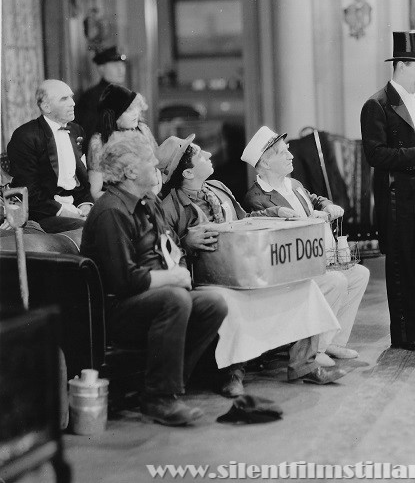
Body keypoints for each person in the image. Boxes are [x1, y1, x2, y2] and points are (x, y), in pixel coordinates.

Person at [156, 135, 348, 395]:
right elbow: (164, 253)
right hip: (209, 280)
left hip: (242, 270)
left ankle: (304, 363)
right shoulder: (170, 208)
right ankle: (232, 374)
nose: (209, 156)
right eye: (201, 155)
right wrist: (186, 241)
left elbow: (244, 219)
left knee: (303, 286)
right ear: (188, 172)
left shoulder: (218, 188)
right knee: (233, 304)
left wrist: (274, 212)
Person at [80, 131, 228, 426]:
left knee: (214, 303)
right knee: (175, 298)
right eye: (150, 161)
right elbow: (124, 281)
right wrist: (172, 278)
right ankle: (158, 398)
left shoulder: (148, 202)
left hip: (149, 297)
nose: (157, 168)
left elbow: (167, 246)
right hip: (118, 307)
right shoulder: (111, 211)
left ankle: (165, 387)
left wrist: (178, 268)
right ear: (132, 171)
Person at [243, 126, 370, 365]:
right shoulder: (258, 197)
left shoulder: (294, 184)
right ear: (266, 164)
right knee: (336, 281)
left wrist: (327, 206)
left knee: (360, 274)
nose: (291, 156)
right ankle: (315, 350)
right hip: (292, 269)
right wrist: (310, 219)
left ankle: (335, 342)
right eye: (283, 153)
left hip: (317, 258)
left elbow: (313, 199)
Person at [360, 31, 415, 352]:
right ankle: (403, 335)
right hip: (397, 196)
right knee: (401, 265)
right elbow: (375, 155)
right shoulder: (377, 105)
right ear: (401, 66)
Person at [7, 79, 92, 233]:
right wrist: (64, 211)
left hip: (75, 208)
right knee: (92, 229)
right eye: (64, 99)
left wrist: (85, 204)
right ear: (46, 107)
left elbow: (82, 180)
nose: (72, 103)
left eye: (71, 97)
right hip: (43, 214)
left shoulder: (76, 131)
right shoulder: (26, 136)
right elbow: (27, 192)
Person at [87, 82, 158, 200]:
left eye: (136, 107)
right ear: (113, 116)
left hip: (152, 196)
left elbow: (157, 169)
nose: (136, 113)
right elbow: (95, 192)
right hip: (121, 204)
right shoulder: (99, 143)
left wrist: (151, 196)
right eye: (128, 110)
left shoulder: (143, 130)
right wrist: (134, 200)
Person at [75, 46, 127, 140]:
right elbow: (90, 135)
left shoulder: (122, 94)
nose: (121, 70)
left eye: (122, 65)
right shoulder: (94, 97)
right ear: (101, 68)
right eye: (115, 65)